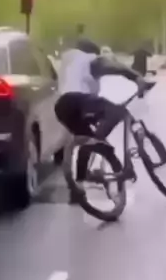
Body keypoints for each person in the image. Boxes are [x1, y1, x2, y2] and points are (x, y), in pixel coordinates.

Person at [55, 38, 150, 203]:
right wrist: (136, 78)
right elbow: (114, 67)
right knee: (119, 112)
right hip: (80, 100)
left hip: (62, 107)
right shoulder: (88, 59)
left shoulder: (67, 59)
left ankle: (78, 188)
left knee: (87, 139)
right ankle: (112, 160)